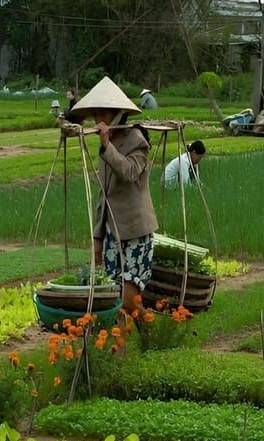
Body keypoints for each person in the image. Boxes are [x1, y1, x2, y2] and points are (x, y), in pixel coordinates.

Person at [69, 77, 157, 314]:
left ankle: (149, 334)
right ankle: (123, 345)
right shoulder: (104, 147)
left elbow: (129, 172)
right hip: (111, 232)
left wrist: (107, 145)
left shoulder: (136, 140)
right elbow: (103, 193)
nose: (98, 120)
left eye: (103, 113)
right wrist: (97, 239)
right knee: (113, 298)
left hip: (135, 231)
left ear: (117, 113)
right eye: (96, 114)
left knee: (129, 299)